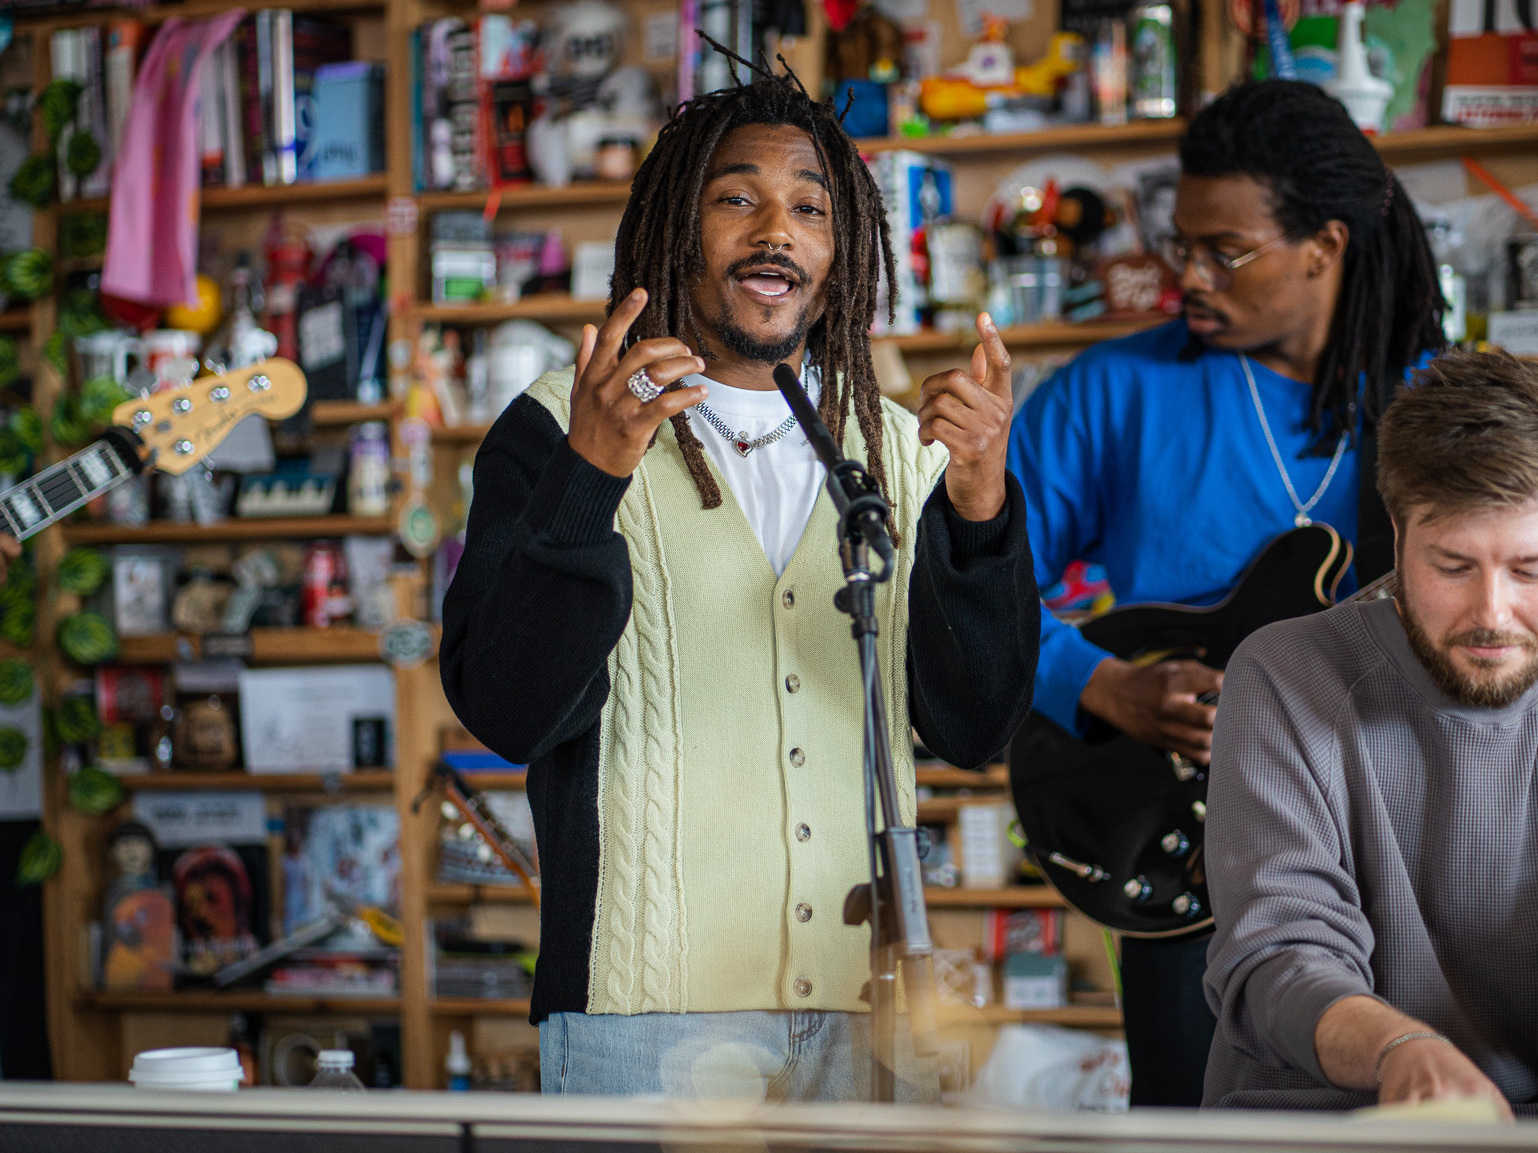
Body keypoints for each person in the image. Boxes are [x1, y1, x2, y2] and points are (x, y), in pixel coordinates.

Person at [439, 60, 1038, 1101]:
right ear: (677, 226)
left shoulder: (896, 450)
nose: (776, 230)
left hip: (870, 1011)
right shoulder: (557, 424)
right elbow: (505, 706)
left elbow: (974, 727)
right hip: (643, 1019)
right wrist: (590, 476)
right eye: (735, 197)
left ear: (840, 247)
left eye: (809, 207)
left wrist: (979, 508)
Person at [1005, 79, 1446, 1106]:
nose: (1187, 278)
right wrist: (1095, 681)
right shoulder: (1111, 392)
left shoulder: (1436, 406)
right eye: (1178, 244)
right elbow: (952, 590)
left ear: (1323, 245)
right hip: (1189, 867)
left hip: (1402, 855)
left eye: (1225, 251)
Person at [1202, 349, 1538, 1117]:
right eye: (1452, 565)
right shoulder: (1287, 675)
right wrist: (1399, 1050)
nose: (1492, 612)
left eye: (1531, 570)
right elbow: (1276, 952)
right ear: (1396, 532)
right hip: (1327, 1120)